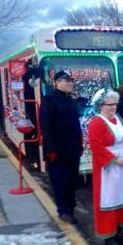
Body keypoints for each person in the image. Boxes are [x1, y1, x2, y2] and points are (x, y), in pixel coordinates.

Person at [88, 88, 123, 245]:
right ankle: (108, 235)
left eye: (115, 104)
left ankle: (118, 230)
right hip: (107, 169)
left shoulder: (119, 119)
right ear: (101, 105)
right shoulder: (96, 122)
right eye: (110, 104)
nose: (113, 107)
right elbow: (97, 147)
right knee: (109, 199)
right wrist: (115, 160)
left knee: (122, 196)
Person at [40, 69, 82, 224]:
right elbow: (46, 127)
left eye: (71, 80)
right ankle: (63, 211)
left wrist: (79, 145)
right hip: (57, 151)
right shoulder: (49, 100)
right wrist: (50, 150)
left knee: (72, 182)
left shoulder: (71, 100)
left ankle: (70, 208)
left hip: (73, 150)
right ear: (56, 83)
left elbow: (76, 125)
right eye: (66, 80)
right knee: (60, 182)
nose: (70, 83)